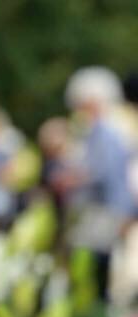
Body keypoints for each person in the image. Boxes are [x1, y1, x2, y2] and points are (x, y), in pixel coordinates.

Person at [63, 67, 136, 282]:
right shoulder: (100, 129)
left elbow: (108, 174)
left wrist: (73, 179)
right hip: (106, 212)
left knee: (101, 271)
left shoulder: (108, 131)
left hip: (107, 213)